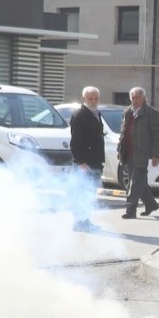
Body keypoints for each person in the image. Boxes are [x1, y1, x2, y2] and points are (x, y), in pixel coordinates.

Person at [120, 87, 159, 219]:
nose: (134, 100)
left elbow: (158, 136)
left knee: (135, 182)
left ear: (143, 98)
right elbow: (123, 132)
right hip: (128, 152)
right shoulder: (127, 112)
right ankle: (151, 204)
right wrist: (119, 149)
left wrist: (156, 154)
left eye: (137, 97)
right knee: (140, 183)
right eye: (132, 98)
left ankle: (130, 210)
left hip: (142, 154)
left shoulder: (151, 113)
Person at [68, 86, 106, 231]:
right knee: (82, 193)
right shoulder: (80, 115)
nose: (94, 101)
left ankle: (85, 220)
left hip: (95, 161)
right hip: (85, 163)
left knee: (89, 193)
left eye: (96, 98)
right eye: (90, 98)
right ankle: (79, 222)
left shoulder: (96, 113)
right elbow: (75, 142)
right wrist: (80, 161)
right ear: (84, 98)